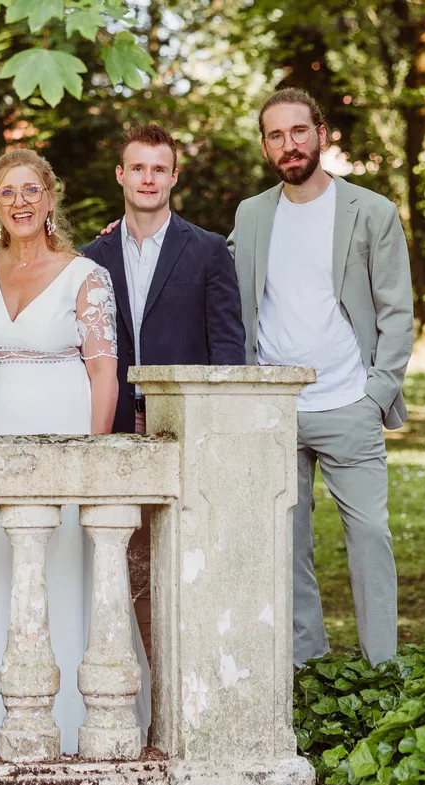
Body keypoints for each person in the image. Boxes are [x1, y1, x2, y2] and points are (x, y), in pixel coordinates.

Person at [0, 148, 149, 757]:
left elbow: (105, 374)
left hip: (63, 434)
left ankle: (73, 723)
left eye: (31, 190)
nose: (20, 201)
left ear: (50, 197)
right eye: (7, 192)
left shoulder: (85, 275)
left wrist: (91, 463)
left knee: (63, 567)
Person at [227, 88, 413, 667]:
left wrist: (375, 394)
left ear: (322, 134)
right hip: (274, 408)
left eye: (299, 132)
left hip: (348, 403)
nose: (289, 145)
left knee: (371, 539)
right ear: (265, 146)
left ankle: (381, 668)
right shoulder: (252, 215)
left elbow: (397, 311)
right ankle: (306, 666)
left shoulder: (370, 210)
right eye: (276, 135)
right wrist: (131, 232)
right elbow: (211, 271)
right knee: (287, 545)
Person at [81, 124, 247, 659]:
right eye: (138, 167)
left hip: (182, 425)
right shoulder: (91, 258)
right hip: (115, 426)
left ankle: (186, 668)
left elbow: (227, 347)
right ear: (120, 175)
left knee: (185, 554)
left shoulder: (207, 251)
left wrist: (221, 431)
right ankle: (127, 675)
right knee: (119, 556)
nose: (148, 178)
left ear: (174, 177)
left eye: (159, 168)